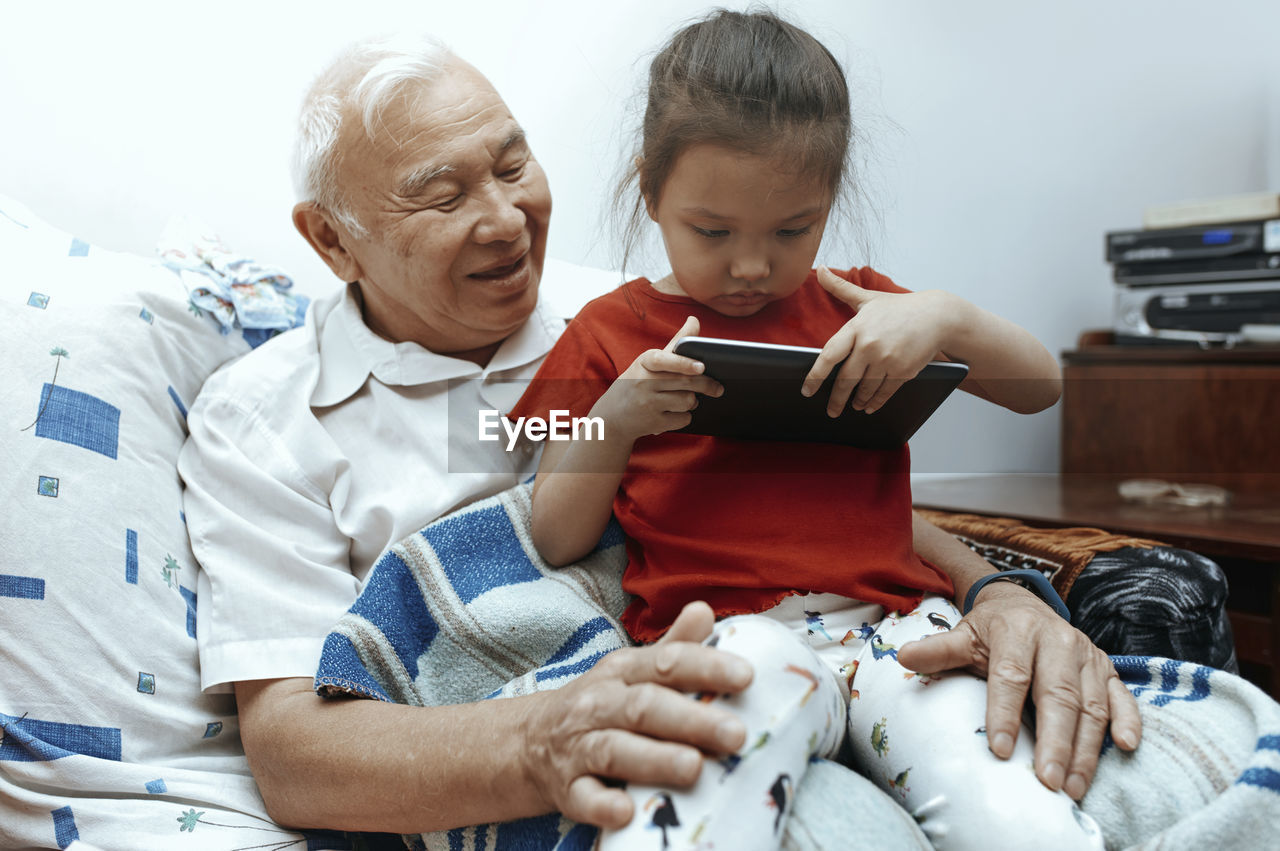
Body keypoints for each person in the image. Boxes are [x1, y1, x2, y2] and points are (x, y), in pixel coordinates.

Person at [177, 28, 1137, 842]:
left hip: (885, 639)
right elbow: (551, 519)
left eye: (514, 166)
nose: (507, 219)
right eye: (443, 194)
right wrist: (616, 419)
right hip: (670, 673)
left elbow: (843, 476)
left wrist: (1003, 588)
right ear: (333, 241)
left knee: (1018, 800)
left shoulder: (650, 303)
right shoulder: (276, 416)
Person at [512, 10, 1131, 849]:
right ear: (650, 191)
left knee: (1027, 824)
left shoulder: (865, 305)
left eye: (792, 230)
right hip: (736, 638)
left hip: (905, 636)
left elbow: (1040, 388)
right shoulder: (604, 331)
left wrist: (942, 317)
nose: (752, 266)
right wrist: (615, 421)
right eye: (713, 231)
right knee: (691, 801)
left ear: (829, 202)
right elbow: (554, 534)